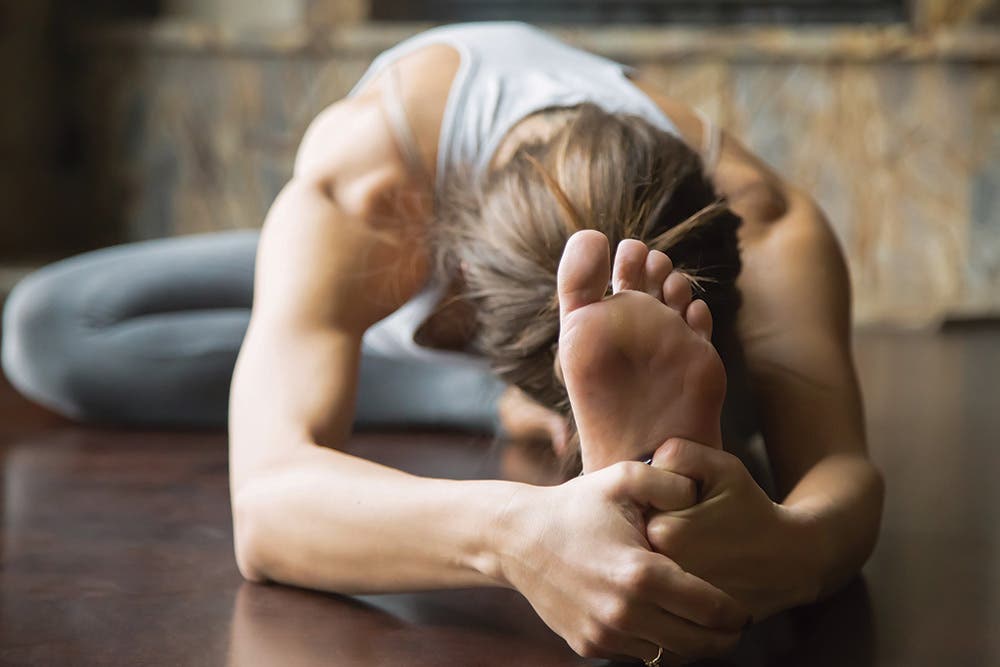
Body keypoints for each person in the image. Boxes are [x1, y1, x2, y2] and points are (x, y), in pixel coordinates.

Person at [1, 22, 883, 665]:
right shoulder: (372, 182)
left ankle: (650, 435)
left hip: (623, 313)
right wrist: (517, 530)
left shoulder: (768, 224)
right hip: (397, 286)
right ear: (455, 282)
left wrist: (790, 549)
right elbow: (264, 507)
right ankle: (515, 409)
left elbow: (845, 474)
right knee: (49, 325)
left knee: (764, 391)